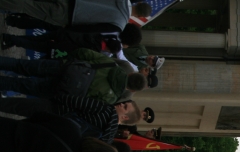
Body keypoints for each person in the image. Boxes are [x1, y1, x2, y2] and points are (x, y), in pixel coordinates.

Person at [0, 49, 147, 104]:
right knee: (20, 85)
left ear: (132, 73)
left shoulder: (112, 65)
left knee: (21, 65)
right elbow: (85, 103)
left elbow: (86, 53)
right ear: (131, 90)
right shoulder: (111, 98)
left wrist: (71, 59)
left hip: (65, 68)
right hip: (62, 90)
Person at [0, 96, 141, 144]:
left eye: (125, 106)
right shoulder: (107, 138)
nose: (121, 104)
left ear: (125, 117)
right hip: (54, 134)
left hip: (55, 111)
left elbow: (77, 101)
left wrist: (56, 99)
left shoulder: (106, 109)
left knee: (14, 106)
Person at [0, 1, 152, 32]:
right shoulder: (119, 24)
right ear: (138, 16)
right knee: (27, 6)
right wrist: (70, 28)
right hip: (69, 17)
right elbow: (91, 28)